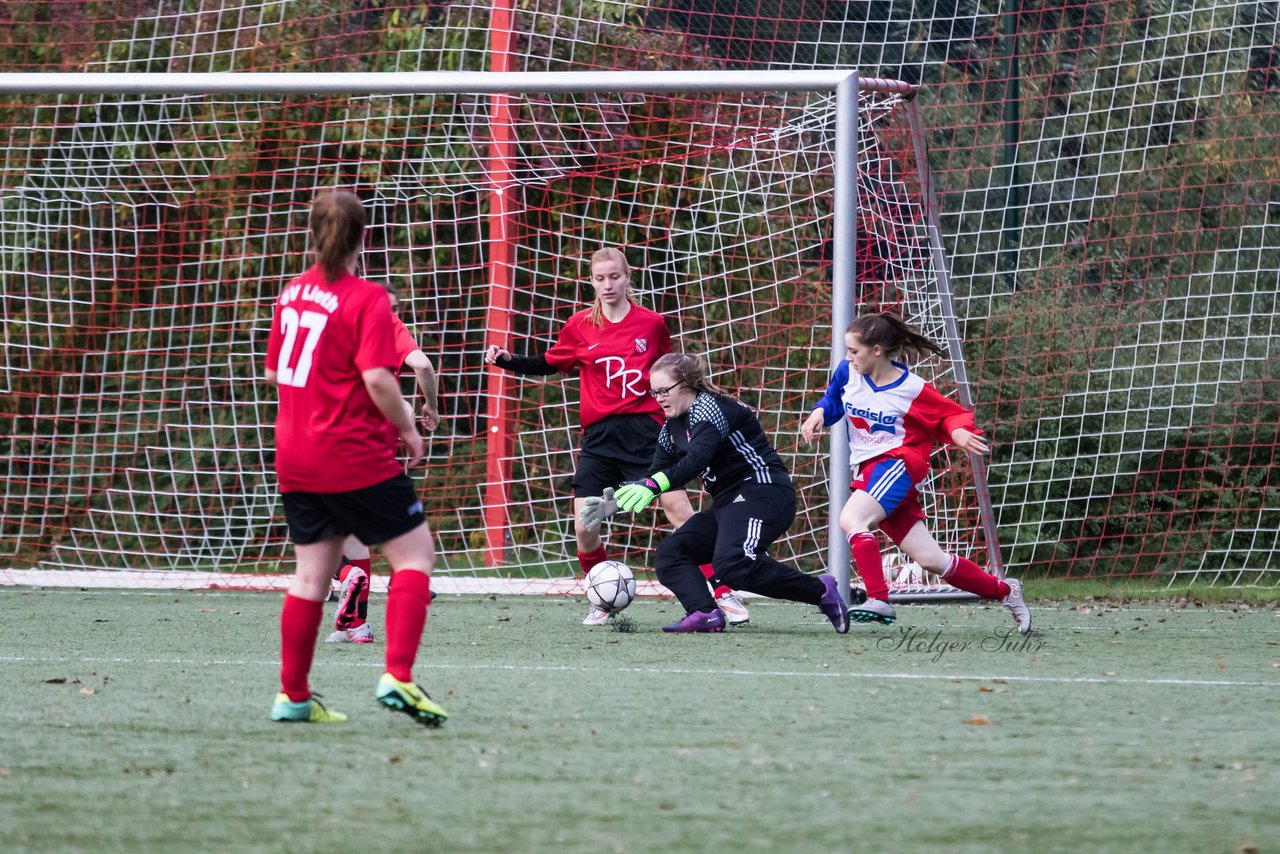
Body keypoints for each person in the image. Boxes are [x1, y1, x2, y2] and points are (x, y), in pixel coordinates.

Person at [484, 248, 751, 626]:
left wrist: (689, 420)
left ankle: (723, 593)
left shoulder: (652, 324)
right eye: (599, 279)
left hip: (648, 434)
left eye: (614, 277)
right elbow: (548, 363)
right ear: (591, 282)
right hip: (600, 440)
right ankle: (602, 596)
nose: (607, 285)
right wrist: (508, 360)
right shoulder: (578, 325)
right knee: (584, 527)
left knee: (680, 512)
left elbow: (671, 375)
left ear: (628, 278)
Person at [264, 190, 448, 725]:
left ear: (313, 233)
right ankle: (399, 676)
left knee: (309, 579)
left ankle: (294, 696)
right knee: (414, 556)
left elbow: (276, 373)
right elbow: (376, 377)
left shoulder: (292, 292)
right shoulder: (367, 298)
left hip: (296, 455)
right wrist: (408, 427)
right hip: (351, 453)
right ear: (362, 237)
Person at [582, 353, 850, 634]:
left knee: (731, 564)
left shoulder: (710, 408)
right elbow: (658, 474)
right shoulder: (669, 429)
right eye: (654, 392)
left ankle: (820, 590)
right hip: (728, 504)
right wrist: (619, 501)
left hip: (764, 492)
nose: (658, 398)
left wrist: (651, 485)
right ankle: (704, 612)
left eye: (664, 391)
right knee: (670, 554)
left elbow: (696, 459)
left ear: (687, 384)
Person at [800, 311, 1031, 633]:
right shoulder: (847, 371)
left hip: (897, 464)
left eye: (855, 351)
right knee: (932, 560)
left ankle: (879, 599)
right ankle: (1006, 590)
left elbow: (951, 416)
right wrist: (819, 414)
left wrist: (959, 432)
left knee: (852, 519)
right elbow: (833, 398)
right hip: (872, 472)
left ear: (877, 350)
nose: (849, 357)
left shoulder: (912, 389)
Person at [327, 282, 441, 644]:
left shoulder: (335, 324)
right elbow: (421, 365)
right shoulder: (390, 327)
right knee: (361, 533)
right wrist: (430, 405)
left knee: (319, 536)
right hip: (378, 449)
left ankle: (348, 580)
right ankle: (357, 625)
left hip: (335, 443)